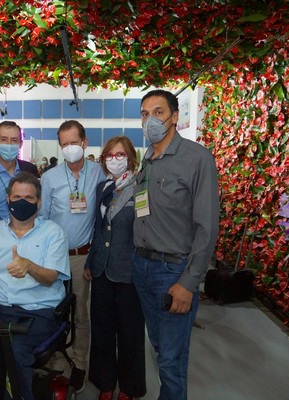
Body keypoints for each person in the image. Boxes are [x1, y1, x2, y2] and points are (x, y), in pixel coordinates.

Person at [133, 89, 219, 400]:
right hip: (142, 266)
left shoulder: (196, 158)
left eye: (158, 112)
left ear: (174, 116)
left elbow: (207, 226)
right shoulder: (148, 159)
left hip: (173, 272)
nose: (150, 120)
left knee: (171, 358)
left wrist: (189, 282)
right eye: (145, 114)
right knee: (159, 347)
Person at [0, 171, 70, 400]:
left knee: (14, 353)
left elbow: (50, 277)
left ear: (39, 202)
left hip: (37, 312)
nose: (22, 202)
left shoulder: (53, 233)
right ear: (8, 199)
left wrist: (29, 266)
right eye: (17, 197)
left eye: (29, 198)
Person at [40, 120, 106, 391]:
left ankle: (79, 362)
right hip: (54, 257)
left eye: (74, 143)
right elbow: (42, 217)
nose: (69, 148)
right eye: (64, 144)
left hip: (81, 256)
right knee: (53, 310)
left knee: (80, 312)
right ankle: (56, 360)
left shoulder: (99, 173)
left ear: (84, 143)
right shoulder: (50, 178)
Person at [83, 136, 146, 400]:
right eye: (109, 155)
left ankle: (129, 387)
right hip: (101, 271)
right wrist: (91, 261)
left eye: (120, 155)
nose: (114, 160)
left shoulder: (141, 187)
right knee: (102, 330)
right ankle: (105, 382)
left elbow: (145, 230)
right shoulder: (104, 187)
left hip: (129, 271)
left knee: (130, 333)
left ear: (131, 158)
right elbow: (99, 229)